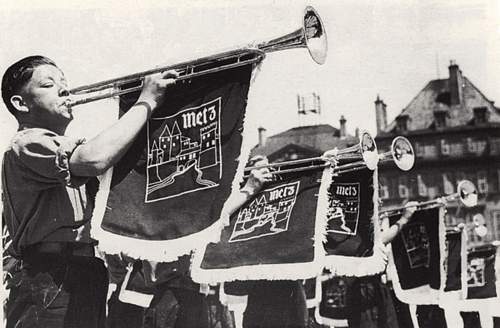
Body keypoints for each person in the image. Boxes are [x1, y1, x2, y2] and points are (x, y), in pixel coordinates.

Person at [1, 55, 178, 328]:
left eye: (65, 83)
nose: (64, 90)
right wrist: (147, 101)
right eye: (48, 84)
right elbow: (96, 158)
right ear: (20, 103)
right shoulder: (26, 141)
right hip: (50, 274)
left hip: (84, 272)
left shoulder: (63, 150)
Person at [105, 155, 273, 328]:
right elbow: (209, 217)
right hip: (158, 292)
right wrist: (249, 190)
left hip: (181, 290)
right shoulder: (164, 197)